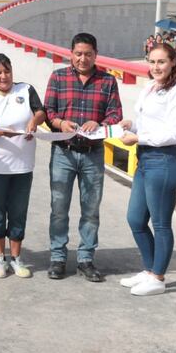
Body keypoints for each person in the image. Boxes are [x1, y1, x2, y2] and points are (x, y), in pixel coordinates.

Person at [44, 32, 123, 282]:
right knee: (59, 208)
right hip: (63, 153)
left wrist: (97, 122)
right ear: (70, 54)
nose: (82, 58)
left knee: (91, 210)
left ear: (95, 55)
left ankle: (86, 259)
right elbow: (47, 112)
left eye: (88, 54)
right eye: (78, 53)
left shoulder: (108, 81)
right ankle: (58, 258)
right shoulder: (58, 77)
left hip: (92, 155)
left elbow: (115, 115)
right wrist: (59, 122)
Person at [118, 43, 176, 296]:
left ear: (173, 63)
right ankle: (149, 270)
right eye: (151, 62)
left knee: (160, 224)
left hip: (164, 162)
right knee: (136, 219)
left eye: (161, 62)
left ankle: (158, 278)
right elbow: (149, 122)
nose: (155, 67)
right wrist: (133, 125)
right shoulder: (150, 87)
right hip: (145, 161)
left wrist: (138, 138)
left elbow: (173, 133)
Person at [0, 53, 46, 278]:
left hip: (22, 166)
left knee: (18, 212)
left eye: (7, 71)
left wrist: (34, 121)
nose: (3, 77)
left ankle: (16, 258)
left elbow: (41, 112)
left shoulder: (25, 90)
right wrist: (2, 132)